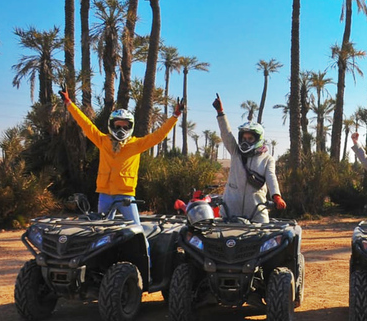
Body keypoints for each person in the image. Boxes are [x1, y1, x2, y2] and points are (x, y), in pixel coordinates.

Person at [60, 90, 182, 225]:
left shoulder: (136, 144)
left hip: (126, 195)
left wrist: (175, 116)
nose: (121, 130)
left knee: (137, 231)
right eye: (118, 126)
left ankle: (144, 247)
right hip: (105, 194)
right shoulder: (103, 141)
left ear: (131, 127)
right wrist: (69, 103)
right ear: (111, 125)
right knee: (102, 230)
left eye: (125, 126)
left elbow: (158, 135)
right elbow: (86, 124)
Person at [212, 93, 285, 223]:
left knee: (263, 240)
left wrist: (277, 197)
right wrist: (220, 113)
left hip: (256, 211)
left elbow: (271, 178)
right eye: (244, 138)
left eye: (250, 138)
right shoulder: (235, 151)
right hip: (230, 210)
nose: (246, 141)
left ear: (258, 139)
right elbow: (226, 134)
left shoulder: (267, 159)